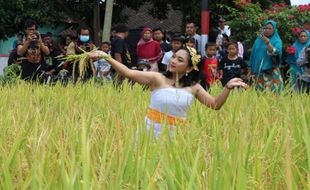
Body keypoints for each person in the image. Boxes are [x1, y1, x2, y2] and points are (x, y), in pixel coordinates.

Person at [88, 47, 247, 138]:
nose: (173, 61)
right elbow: (128, 73)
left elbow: (215, 104)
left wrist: (227, 87)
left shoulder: (194, 87)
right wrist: (106, 57)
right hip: (149, 132)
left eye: (180, 60)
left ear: (190, 68)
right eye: (174, 57)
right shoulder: (157, 78)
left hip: (176, 135)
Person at [248, 20, 284, 93]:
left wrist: (267, 43)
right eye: (265, 28)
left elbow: (276, 53)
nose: (267, 30)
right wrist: (250, 68)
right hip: (258, 71)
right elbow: (253, 54)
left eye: (270, 28)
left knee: (273, 92)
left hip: (271, 71)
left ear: (274, 29)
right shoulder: (258, 40)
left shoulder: (277, 40)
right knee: (259, 94)